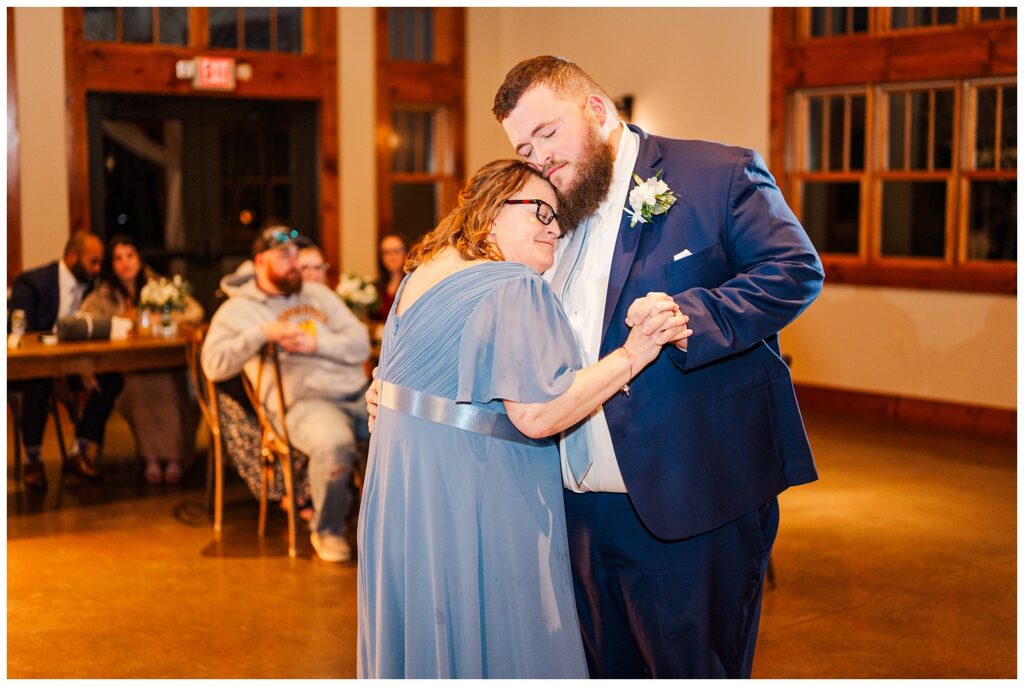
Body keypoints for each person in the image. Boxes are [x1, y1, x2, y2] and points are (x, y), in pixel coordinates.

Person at [486, 55, 826, 678]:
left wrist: (689, 313)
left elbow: (795, 270)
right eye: (525, 147)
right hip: (575, 507)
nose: (539, 158)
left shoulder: (715, 173)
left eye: (548, 133)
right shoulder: (547, 209)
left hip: (691, 498)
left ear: (595, 109)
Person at [357, 159, 689, 678]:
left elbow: (388, 386)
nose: (554, 227)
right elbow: (539, 413)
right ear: (490, 211)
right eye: (540, 211)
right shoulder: (512, 284)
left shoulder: (419, 276)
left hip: (402, 492)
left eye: (558, 217)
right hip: (471, 493)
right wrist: (634, 353)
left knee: (430, 630)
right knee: (491, 634)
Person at [201, 226, 370, 563]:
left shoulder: (318, 295)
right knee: (334, 444)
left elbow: (361, 343)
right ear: (260, 261)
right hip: (303, 405)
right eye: (284, 256)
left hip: (359, 395)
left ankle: (394, 527)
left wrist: (316, 344)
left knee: (408, 431)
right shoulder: (240, 310)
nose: (295, 263)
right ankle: (328, 530)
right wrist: (261, 334)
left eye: (296, 254)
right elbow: (213, 365)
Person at [77, 235, 203, 485]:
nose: (125, 263)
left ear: (139, 258)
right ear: (111, 264)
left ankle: (176, 457)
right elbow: (84, 322)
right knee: (139, 387)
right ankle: (152, 457)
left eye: (130, 256)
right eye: (118, 258)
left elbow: (195, 311)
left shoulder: (160, 287)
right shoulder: (103, 294)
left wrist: (168, 320)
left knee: (170, 385)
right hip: (129, 369)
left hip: (165, 363)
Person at [8, 231, 124, 489]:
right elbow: (18, 332)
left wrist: (83, 367)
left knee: (111, 380)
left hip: (79, 365)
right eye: (92, 262)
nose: (97, 269)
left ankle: (79, 449)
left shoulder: (96, 289)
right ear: (72, 257)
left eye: (99, 263)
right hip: (40, 365)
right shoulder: (32, 283)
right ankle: (33, 459)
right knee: (39, 381)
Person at [373, 233, 408, 321]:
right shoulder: (374, 288)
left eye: (397, 251)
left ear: (406, 253)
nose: (392, 256)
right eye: (387, 252)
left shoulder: (413, 285)